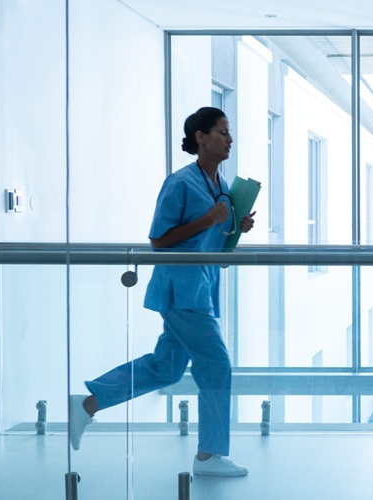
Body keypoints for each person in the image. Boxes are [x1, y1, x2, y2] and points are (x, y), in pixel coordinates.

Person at [68, 107, 255, 477]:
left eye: (229, 133)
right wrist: (211, 219)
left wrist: (237, 226)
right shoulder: (180, 183)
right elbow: (159, 240)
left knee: (167, 367)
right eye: (222, 132)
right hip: (182, 289)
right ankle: (209, 456)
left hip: (201, 285)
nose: (229, 139)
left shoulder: (220, 185)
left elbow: (212, 238)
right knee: (217, 365)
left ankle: (88, 403)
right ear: (200, 137)